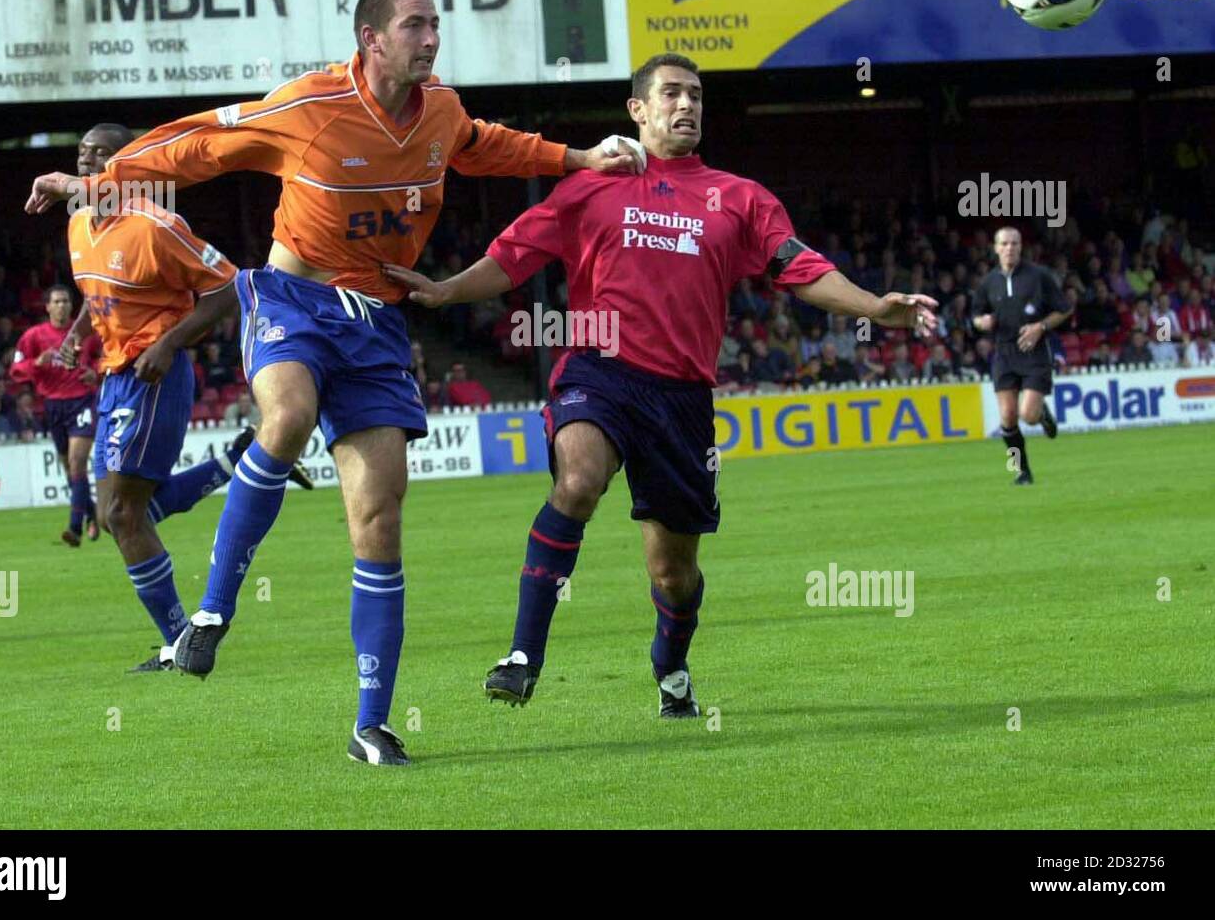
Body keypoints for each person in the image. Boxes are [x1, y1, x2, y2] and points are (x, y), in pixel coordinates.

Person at [25, 0, 638, 766]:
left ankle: (371, 723)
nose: (431, 38)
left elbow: (485, 144)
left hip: (377, 322)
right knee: (286, 418)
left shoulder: (441, 111)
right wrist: (93, 183)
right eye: (415, 25)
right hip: (293, 298)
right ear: (371, 39)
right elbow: (196, 142)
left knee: (379, 524)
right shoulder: (310, 105)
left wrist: (580, 157)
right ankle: (209, 614)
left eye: (435, 24)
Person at [385, 52, 936, 719]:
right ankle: (523, 653)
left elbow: (800, 267)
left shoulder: (740, 198)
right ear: (637, 110)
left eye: (696, 95)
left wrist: (875, 306)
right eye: (671, 93)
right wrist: (447, 290)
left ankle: (670, 666)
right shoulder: (588, 186)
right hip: (599, 369)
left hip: (682, 398)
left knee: (672, 575)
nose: (687, 105)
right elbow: (512, 257)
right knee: (579, 478)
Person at [28, 123, 311, 672]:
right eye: (82, 153)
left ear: (129, 164)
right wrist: (74, 339)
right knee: (125, 516)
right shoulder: (80, 224)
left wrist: (168, 343)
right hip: (115, 374)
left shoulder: (156, 225)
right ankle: (234, 461)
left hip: (154, 375)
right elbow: (95, 291)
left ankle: (181, 640)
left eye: (102, 154)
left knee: (121, 512)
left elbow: (229, 286)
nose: (89, 162)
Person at [971, 227, 1071, 486]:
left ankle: (1041, 414)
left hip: (1034, 353)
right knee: (1007, 416)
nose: (1009, 248)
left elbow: (1064, 309)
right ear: (995, 248)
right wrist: (983, 322)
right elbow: (976, 316)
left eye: (1014, 243)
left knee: (1027, 415)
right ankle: (1021, 471)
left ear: (1021, 246)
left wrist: (1041, 327)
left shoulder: (1039, 276)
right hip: (1004, 353)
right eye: (1004, 243)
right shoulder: (988, 282)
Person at [10, 283, 104, 546]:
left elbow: (108, 354)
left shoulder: (86, 332)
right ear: (48, 306)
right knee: (69, 469)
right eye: (57, 302)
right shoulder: (33, 336)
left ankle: (74, 528)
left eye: (65, 301)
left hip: (82, 402)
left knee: (76, 462)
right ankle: (92, 512)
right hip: (53, 406)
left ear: (71, 306)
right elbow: (16, 369)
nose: (62, 306)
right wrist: (36, 363)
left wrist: (95, 372)